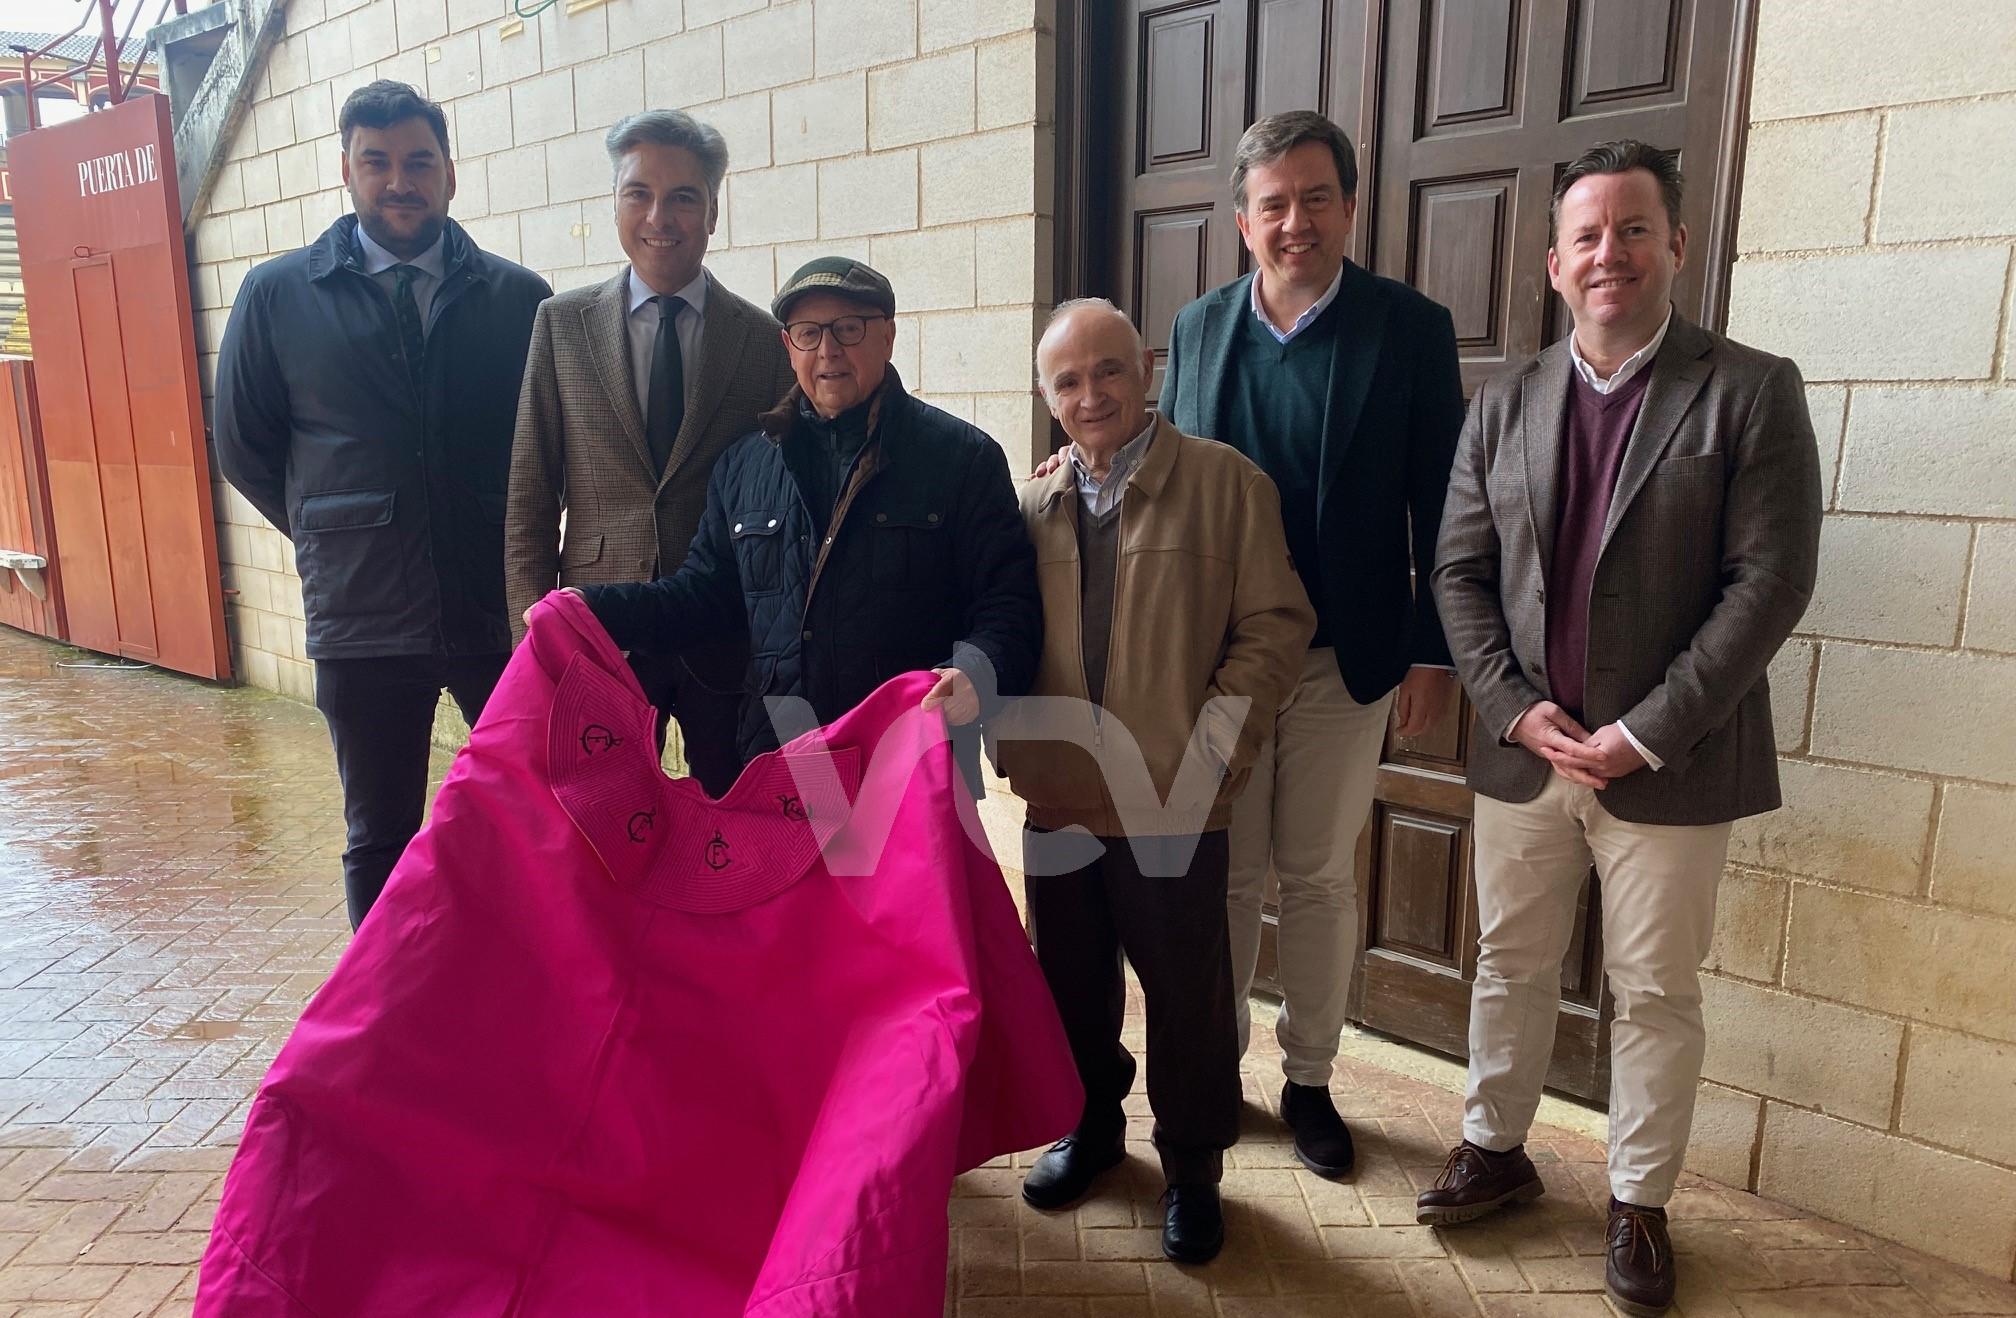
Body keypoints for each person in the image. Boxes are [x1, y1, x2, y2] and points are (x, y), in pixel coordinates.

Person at [1423, 139, 1822, 1316]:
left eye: (1634, 229)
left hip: (1671, 764)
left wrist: (1644, 732)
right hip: (1527, 754)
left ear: (1677, 245)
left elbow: (1770, 582)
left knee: (1652, 990)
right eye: (1588, 235)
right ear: (1555, 263)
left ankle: (1639, 1200)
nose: (1612, 253)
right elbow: (1458, 573)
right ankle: (1495, 1146)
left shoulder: (1751, 390)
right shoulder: (1504, 402)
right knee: (1511, 962)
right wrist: (1512, 706)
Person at [1157, 110, 1465, 1176]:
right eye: (1274, 204)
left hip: (1348, 656)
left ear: (1350, 207)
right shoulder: (1199, 328)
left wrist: (1434, 651)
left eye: (1316, 198)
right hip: (1223, 664)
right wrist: (1078, 467)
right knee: (1228, 879)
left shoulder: (1410, 329)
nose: (1297, 221)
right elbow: (1164, 475)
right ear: (1244, 221)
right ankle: (1220, 1067)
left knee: (1321, 874)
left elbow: (1445, 505)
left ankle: (1311, 1079)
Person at [995, 300, 1314, 1263]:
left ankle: (1193, 1168)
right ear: (1049, 398)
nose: (1091, 395)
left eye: (1108, 371)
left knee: (1187, 998)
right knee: (1070, 985)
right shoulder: (1029, 506)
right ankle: (1091, 1129)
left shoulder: (1227, 485)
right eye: (1068, 381)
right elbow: (1003, 627)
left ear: (1145, 368)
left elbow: (1275, 628)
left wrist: (1211, 752)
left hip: (1175, 800)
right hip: (1060, 795)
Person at [214, 80, 551, 928]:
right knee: (380, 835)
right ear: (347, 171)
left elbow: (547, 442)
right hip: (362, 618)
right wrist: (338, 533)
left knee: (530, 818)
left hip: (494, 607)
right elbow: (245, 448)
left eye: (419, 162)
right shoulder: (277, 296)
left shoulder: (519, 299)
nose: (400, 181)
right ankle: (387, 999)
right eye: (378, 162)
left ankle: (514, 981)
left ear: (450, 175)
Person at [562, 257, 1040, 785]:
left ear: (888, 336)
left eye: (849, 329)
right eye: (809, 333)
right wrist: (592, 608)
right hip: (779, 766)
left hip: (909, 768)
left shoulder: (962, 459)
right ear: (788, 348)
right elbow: (700, 598)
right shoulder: (743, 467)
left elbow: (1008, 606)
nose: (828, 350)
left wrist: (977, 673)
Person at [505, 110, 792, 795]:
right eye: (639, 193)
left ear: (713, 212)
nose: (659, 217)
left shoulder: (761, 340)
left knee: (730, 817)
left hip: (722, 635)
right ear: (615, 203)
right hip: (599, 635)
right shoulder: (561, 325)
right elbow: (531, 497)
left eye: (683, 197)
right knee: (599, 822)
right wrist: (534, 645)